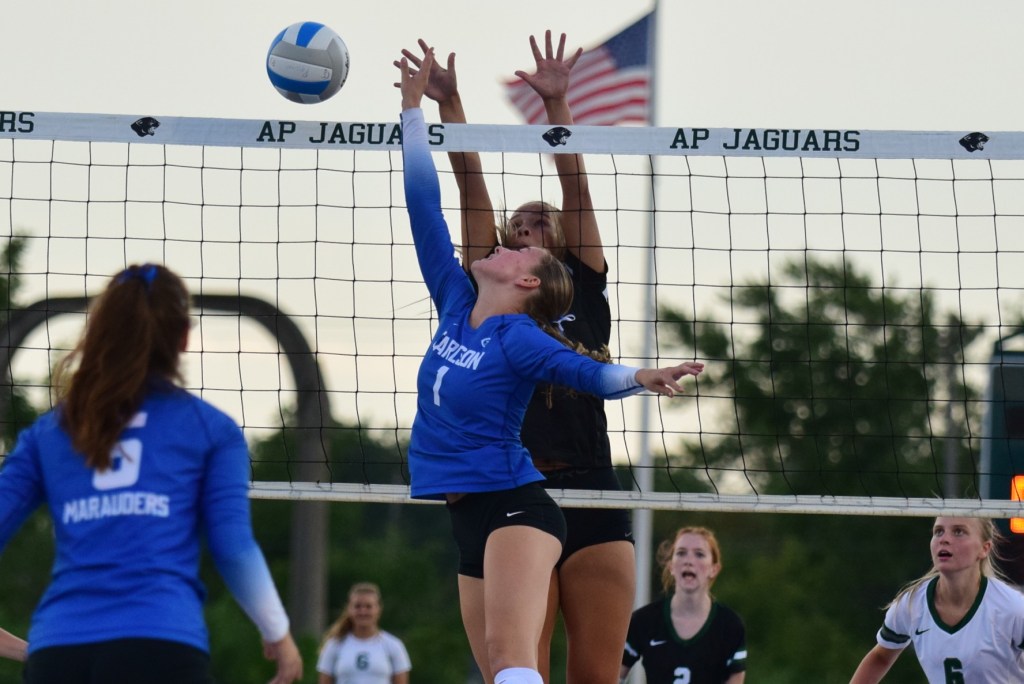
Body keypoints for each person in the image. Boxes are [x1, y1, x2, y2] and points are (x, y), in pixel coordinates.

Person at [396, 50, 704, 684]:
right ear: (504, 249)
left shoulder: (574, 294)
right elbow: (461, 194)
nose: (534, 219)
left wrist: (557, 107)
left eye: (546, 221)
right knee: (513, 667)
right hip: (492, 490)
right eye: (519, 222)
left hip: (582, 484)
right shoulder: (475, 294)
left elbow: (576, 191)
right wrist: (441, 107)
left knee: (589, 675)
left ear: (543, 265)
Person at [0, 263, 303, 684]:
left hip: (58, 653)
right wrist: (278, 633)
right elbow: (233, 548)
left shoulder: (49, 432)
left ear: (99, 332)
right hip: (159, 646)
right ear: (182, 338)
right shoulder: (209, 429)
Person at [849, 516, 1024, 683]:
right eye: (938, 531)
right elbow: (880, 656)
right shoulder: (912, 604)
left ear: (984, 548)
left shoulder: (1012, 608)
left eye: (958, 532)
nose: (944, 539)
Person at [621, 526, 747, 684]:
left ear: (714, 569)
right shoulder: (644, 621)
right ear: (671, 566)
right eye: (681, 553)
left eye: (699, 554)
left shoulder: (730, 626)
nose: (688, 561)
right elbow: (613, 676)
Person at [317, 582, 411, 684]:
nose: (363, 611)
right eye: (357, 606)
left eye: (368, 606)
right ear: (349, 609)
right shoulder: (334, 645)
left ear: (378, 609)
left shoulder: (393, 646)